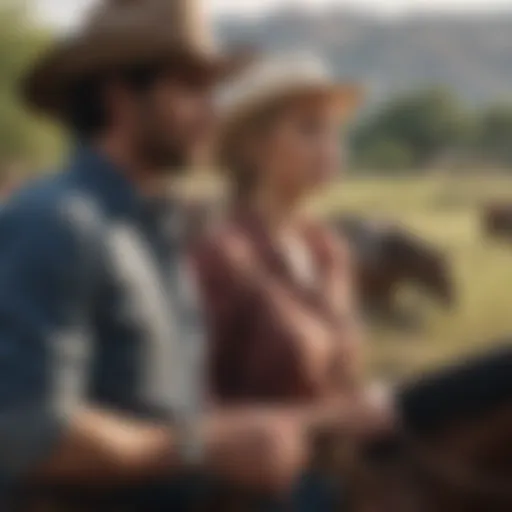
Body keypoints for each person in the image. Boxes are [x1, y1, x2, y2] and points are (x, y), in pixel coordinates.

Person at [0, 1, 309, 509]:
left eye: (214, 91)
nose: (213, 112)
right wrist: (200, 447)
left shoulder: (153, 231)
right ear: (120, 97)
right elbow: (29, 429)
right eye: (192, 89)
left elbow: (165, 416)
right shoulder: (54, 223)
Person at [194, 53, 395, 509]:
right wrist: (328, 421)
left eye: (334, 131)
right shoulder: (221, 257)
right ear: (251, 146)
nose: (331, 148)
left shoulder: (330, 251)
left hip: (343, 476)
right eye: (309, 129)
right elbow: (189, 421)